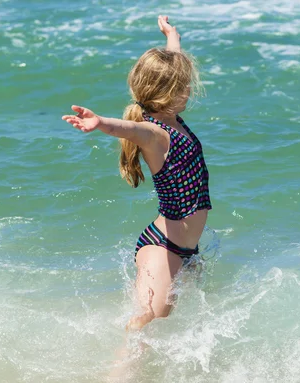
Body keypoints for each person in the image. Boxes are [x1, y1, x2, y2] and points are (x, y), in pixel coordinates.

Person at [62, 15, 211, 331]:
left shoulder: (171, 118)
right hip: (163, 247)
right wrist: (100, 123)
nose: (189, 89)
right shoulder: (154, 133)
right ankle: (116, 382)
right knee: (142, 325)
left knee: (174, 329)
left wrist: (173, 36)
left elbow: (176, 63)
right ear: (167, 92)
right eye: (183, 86)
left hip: (185, 249)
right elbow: (129, 129)